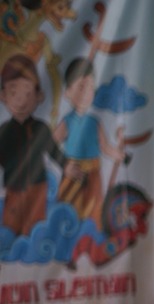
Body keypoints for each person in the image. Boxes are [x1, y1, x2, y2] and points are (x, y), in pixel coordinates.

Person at [0, 54, 76, 236]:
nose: (21, 100)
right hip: (14, 187)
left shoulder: (41, 129)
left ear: (39, 96)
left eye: (27, 93)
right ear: (3, 96)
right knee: (10, 228)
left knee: (34, 229)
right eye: (13, 93)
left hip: (37, 187)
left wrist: (66, 166)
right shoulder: (3, 131)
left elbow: (53, 151)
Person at [54, 58, 124, 227]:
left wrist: (119, 154)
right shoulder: (67, 121)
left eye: (90, 87)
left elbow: (105, 147)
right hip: (73, 171)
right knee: (67, 208)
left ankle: (89, 242)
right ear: (67, 92)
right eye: (80, 87)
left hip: (93, 171)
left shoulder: (94, 122)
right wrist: (64, 164)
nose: (86, 92)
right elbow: (51, 144)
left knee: (93, 209)